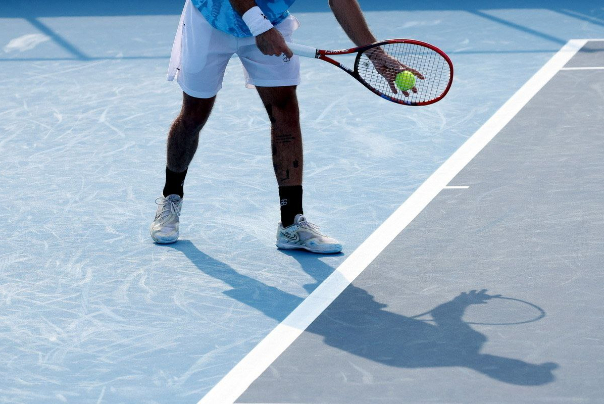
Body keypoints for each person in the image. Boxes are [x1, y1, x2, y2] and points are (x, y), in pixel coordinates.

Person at [151, 0, 387, 253]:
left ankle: (291, 222)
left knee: (285, 108)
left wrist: (376, 53)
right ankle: (171, 195)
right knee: (195, 114)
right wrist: (259, 26)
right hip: (210, 18)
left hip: (270, 18)